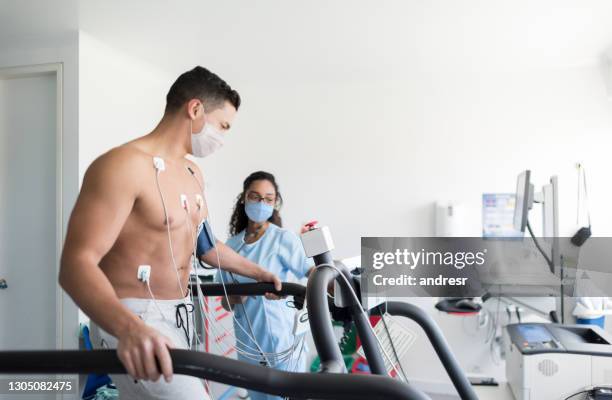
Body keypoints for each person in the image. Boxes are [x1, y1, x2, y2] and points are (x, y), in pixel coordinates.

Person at [59, 66, 282, 400]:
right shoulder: (122, 166)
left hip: (180, 313)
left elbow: (206, 247)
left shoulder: (193, 173)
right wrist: (129, 328)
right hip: (135, 316)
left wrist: (260, 274)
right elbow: (76, 265)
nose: (222, 138)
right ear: (195, 110)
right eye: (222, 126)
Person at [216, 171, 312, 400]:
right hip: (248, 345)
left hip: (282, 342)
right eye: (255, 197)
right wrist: (235, 298)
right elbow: (225, 302)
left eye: (268, 199)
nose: (262, 203)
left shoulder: (283, 239)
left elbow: (311, 273)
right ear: (244, 198)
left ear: (275, 202)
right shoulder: (230, 247)